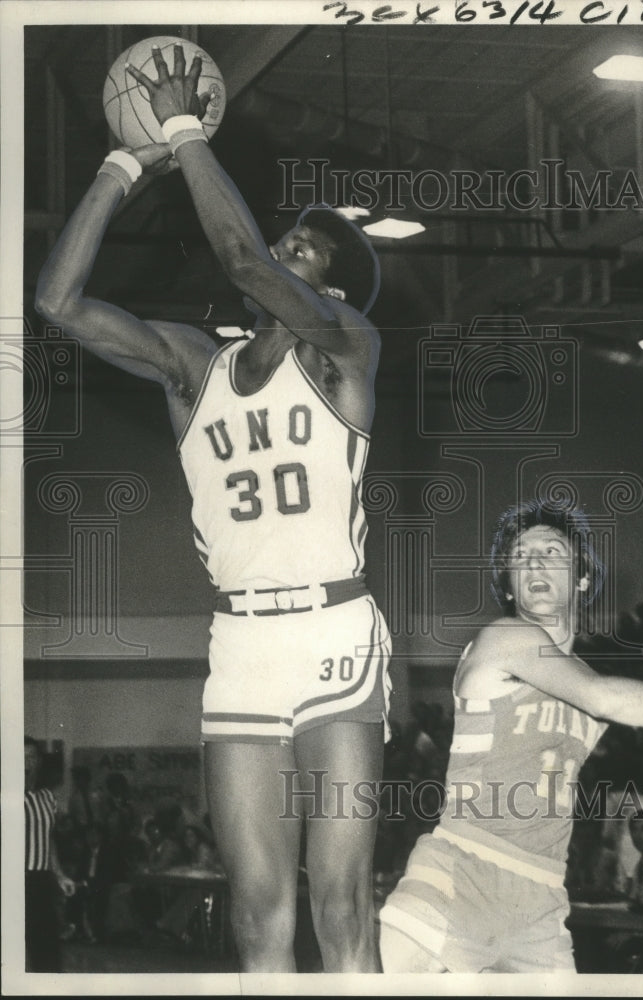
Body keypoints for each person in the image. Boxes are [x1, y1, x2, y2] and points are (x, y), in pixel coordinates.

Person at [35, 44, 390, 973]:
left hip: (333, 634)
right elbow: (57, 301)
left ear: (331, 288)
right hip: (238, 648)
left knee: (342, 911)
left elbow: (236, 253)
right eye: (284, 241)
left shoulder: (346, 348)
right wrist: (122, 163)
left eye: (300, 251)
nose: (276, 252)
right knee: (254, 919)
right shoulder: (198, 365)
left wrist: (185, 127)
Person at [378, 500, 643, 974]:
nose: (534, 561)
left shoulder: (579, 675)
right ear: (510, 585)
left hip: (541, 901)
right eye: (521, 555)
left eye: (551, 550)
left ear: (581, 578)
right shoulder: (505, 639)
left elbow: (623, 708)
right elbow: (606, 699)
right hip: (461, 877)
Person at [24, 736, 76, 971]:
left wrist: (60, 875)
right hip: (9, 881)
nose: (26, 762)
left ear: (39, 762)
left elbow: (48, 839)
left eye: (31, 757)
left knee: (46, 950)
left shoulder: (47, 798)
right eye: (21, 757)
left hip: (40, 880)